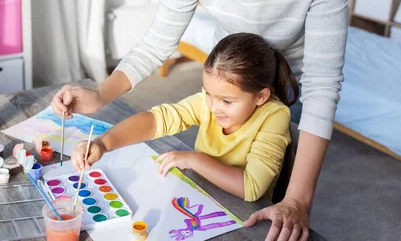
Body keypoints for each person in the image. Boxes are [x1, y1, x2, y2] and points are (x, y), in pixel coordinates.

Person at [53, 0, 350, 241]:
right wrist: (100, 95)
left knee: (272, 189)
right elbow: (158, 41)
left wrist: (298, 200)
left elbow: (322, 86)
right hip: (232, 71)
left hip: (279, 84)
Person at [72, 33, 297, 202]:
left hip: (243, 214)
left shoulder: (275, 116)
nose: (214, 107)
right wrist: (103, 143)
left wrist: (193, 159)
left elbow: (251, 188)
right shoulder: (209, 103)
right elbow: (157, 120)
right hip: (201, 192)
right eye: (208, 93)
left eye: (227, 101)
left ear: (261, 96)